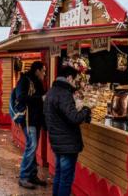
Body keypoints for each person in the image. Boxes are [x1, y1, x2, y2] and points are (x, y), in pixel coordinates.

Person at [44, 65, 92, 196]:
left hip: (57, 141)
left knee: (59, 175)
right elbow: (74, 118)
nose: (75, 83)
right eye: (75, 80)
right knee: (66, 179)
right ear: (69, 77)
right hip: (67, 143)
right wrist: (86, 110)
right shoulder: (64, 94)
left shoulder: (52, 91)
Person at [14, 61, 48, 189]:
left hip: (36, 119)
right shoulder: (24, 80)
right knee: (31, 146)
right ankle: (23, 176)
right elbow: (20, 97)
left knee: (33, 147)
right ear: (37, 70)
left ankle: (32, 175)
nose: (45, 74)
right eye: (43, 71)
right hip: (28, 119)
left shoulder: (38, 82)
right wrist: (40, 99)